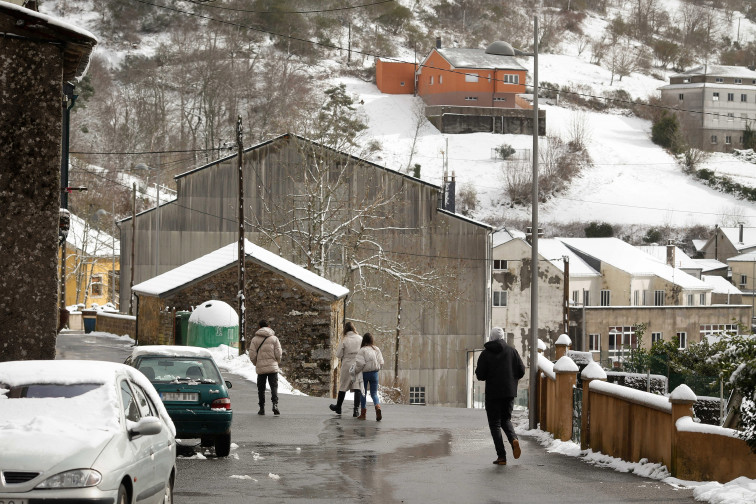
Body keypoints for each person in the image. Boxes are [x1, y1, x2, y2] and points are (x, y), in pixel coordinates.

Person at [475, 327, 525, 465]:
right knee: (505, 419)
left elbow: (480, 375)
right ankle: (513, 439)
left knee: (495, 424)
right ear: (503, 337)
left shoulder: (486, 354)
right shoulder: (512, 351)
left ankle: (502, 456)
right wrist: (511, 378)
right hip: (509, 392)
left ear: (491, 337)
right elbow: (521, 371)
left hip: (493, 394)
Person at [247, 320, 282, 416]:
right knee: (274, 387)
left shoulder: (254, 339)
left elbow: (252, 354)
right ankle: (275, 404)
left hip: (261, 368)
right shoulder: (274, 338)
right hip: (272, 367)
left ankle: (261, 408)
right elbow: (278, 353)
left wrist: (257, 363)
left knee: (261, 389)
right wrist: (277, 361)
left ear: (259, 327)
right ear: (269, 327)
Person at [330, 322, 363, 417]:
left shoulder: (345, 339)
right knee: (357, 387)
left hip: (347, 363)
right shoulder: (360, 338)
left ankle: (338, 407)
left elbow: (338, 354)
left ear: (345, 330)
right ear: (354, 329)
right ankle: (356, 410)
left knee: (343, 385)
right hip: (357, 363)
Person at [351, 332, 384, 421]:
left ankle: (363, 414)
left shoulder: (362, 350)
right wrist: (376, 369)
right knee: (374, 393)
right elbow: (381, 362)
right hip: (375, 374)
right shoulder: (376, 349)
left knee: (363, 393)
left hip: (364, 374)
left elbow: (360, 364)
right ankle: (377, 407)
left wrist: (355, 371)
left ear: (364, 340)